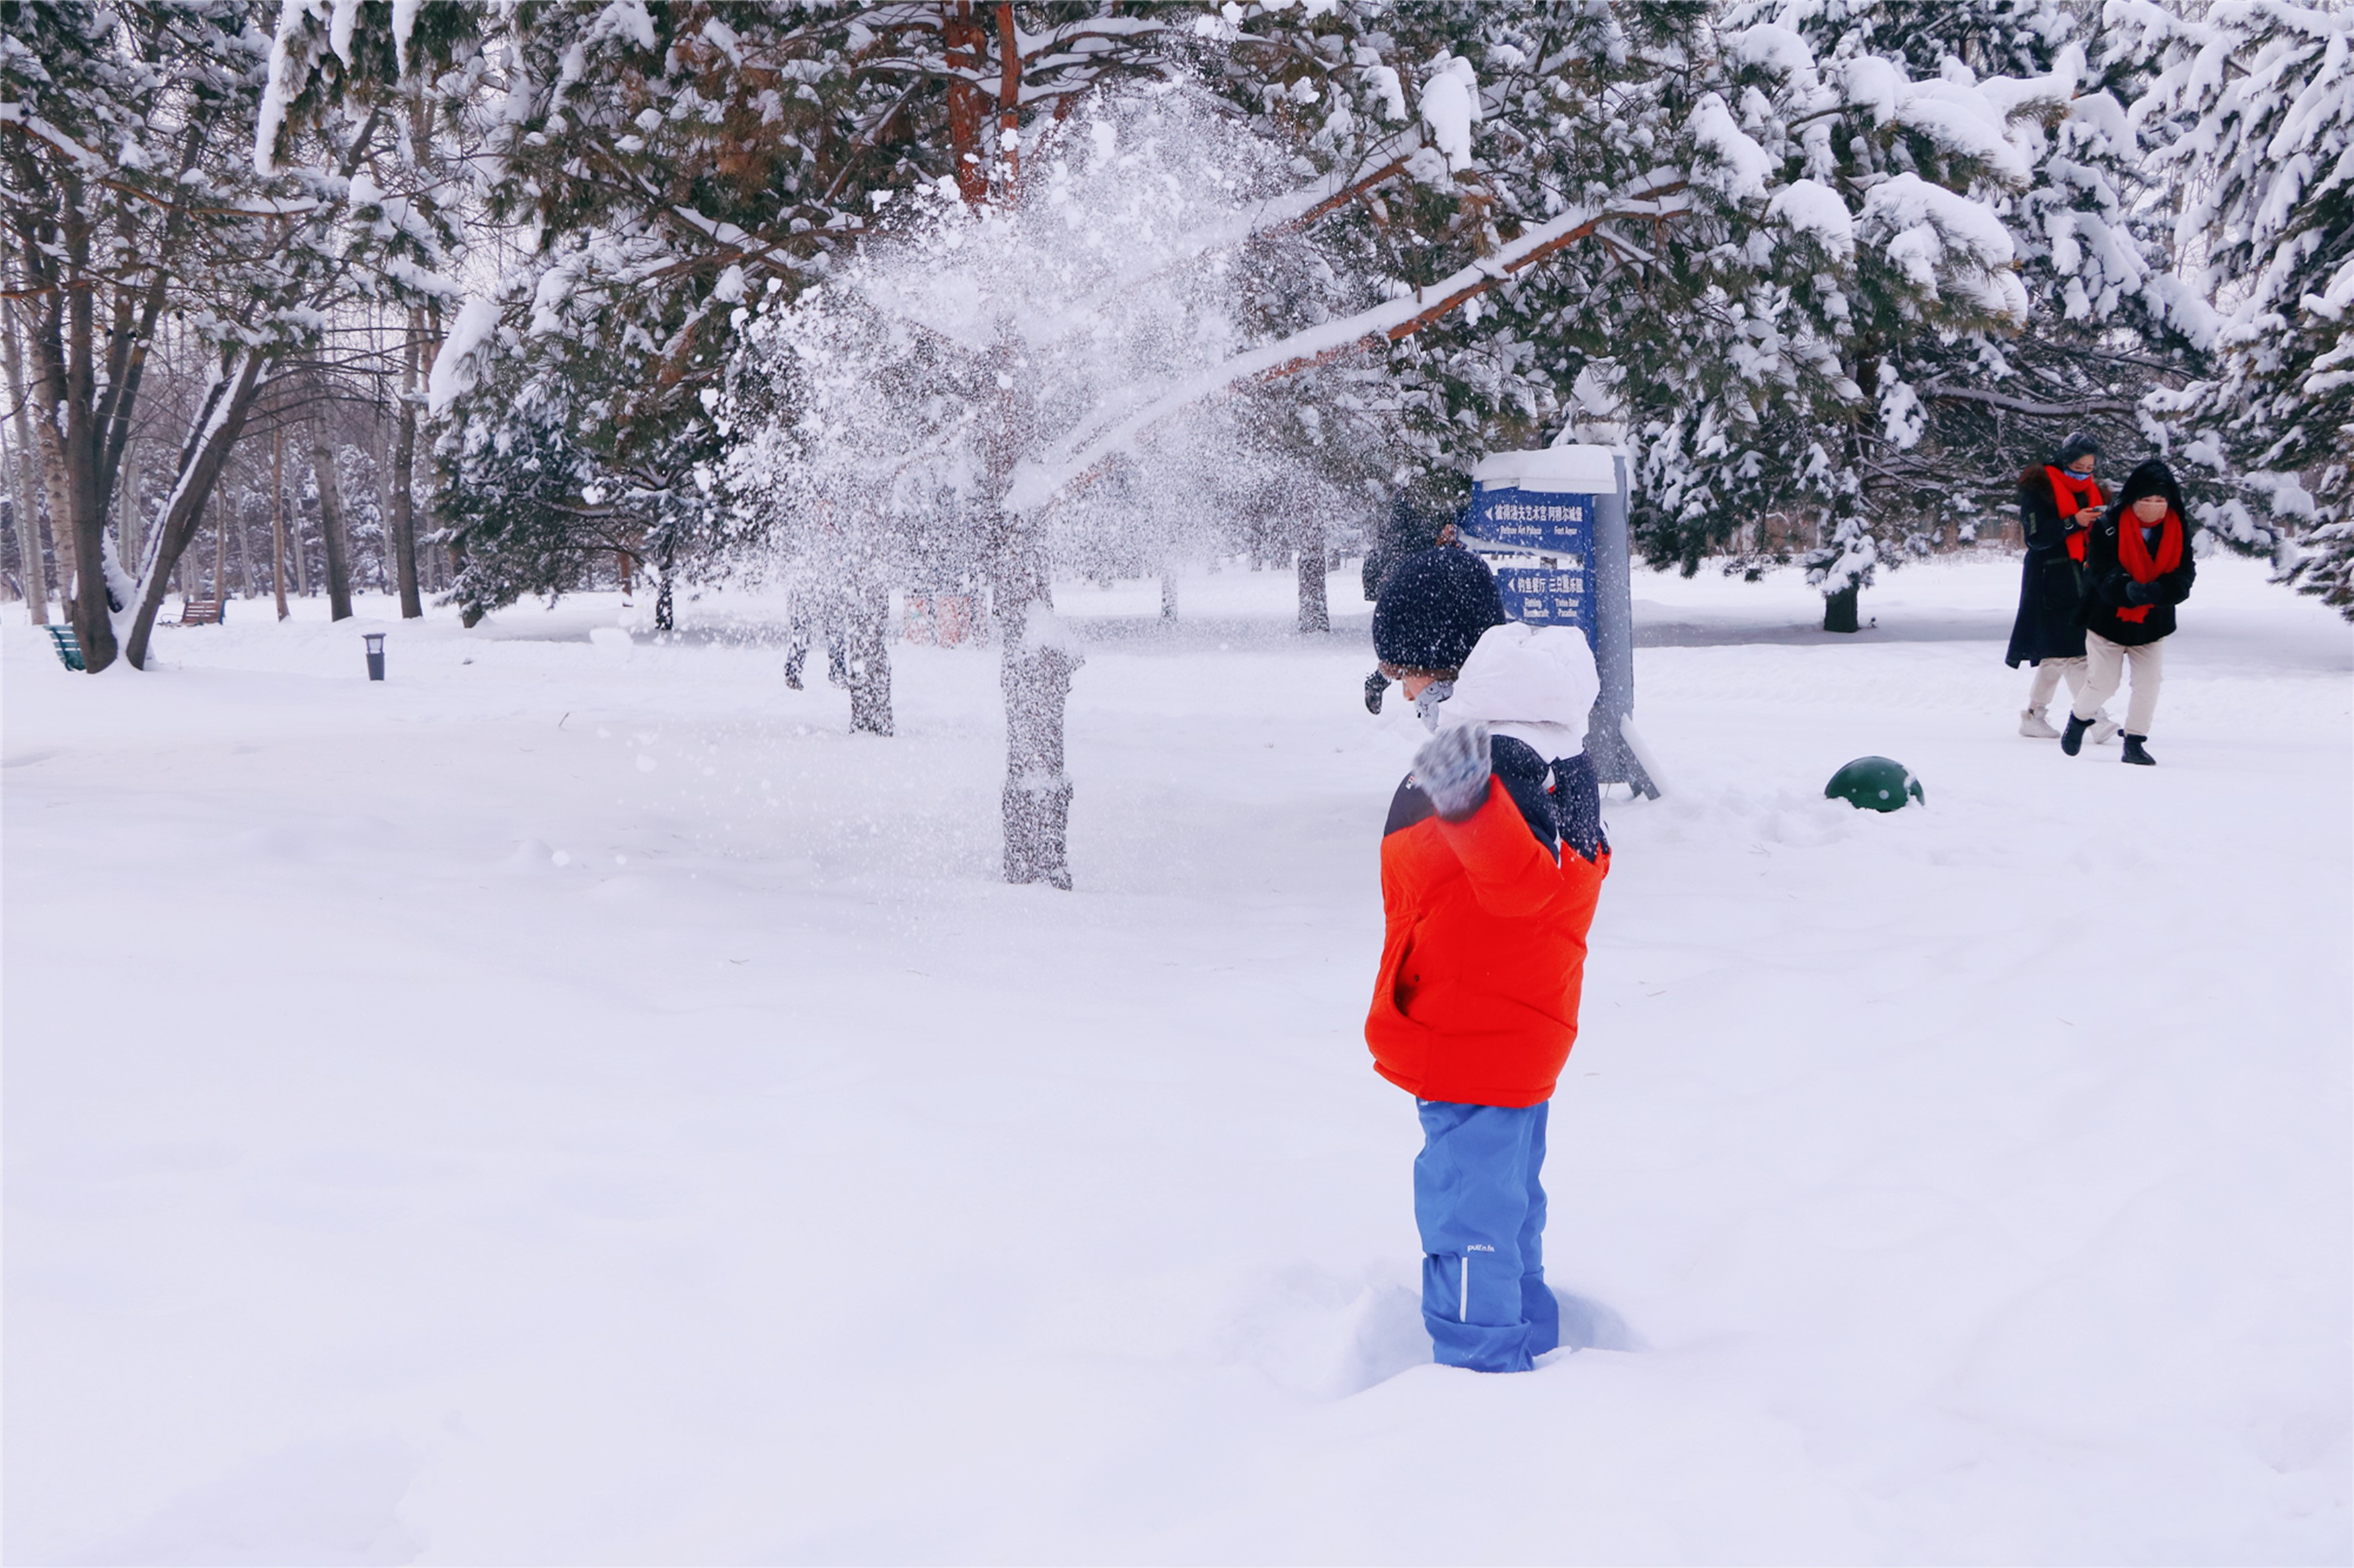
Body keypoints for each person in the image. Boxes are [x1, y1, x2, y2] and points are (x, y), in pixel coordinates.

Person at [1366, 546, 1610, 1373]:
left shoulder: (1492, 756)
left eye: (1405, 672)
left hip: (1473, 1034)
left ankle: (1479, 1384)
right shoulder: (1547, 743)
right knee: (1506, 1212)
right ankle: (1528, 1348)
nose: (1403, 692)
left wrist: (1460, 789)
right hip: (1513, 1025)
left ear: (1439, 661)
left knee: (1467, 1223)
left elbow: (1520, 887)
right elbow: (1573, 874)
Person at [2062, 457, 2194, 766]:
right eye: (2147, 499)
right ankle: (2079, 718)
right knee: (2104, 684)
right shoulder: (2108, 526)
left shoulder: (2178, 527)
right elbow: (2099, 570)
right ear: (2133, 499)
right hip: (2107, 620)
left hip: (2152, 623)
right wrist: (2125, 588)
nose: (2154, 506)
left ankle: (2134, 742)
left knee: (2149, 685)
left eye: (2160, 500)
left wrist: (2163, 591)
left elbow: (2185, 573)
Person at [2006, 431, 2117, 743]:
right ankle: (2094, 718)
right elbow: (2036, 538)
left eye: (2089, 468)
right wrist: (2072, 522)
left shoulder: (2095, 492)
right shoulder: (2040, 489)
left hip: (2084, 578)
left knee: (2055, 656)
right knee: (2073, 653)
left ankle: (2033, 715)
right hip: (2049, 581)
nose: (2083, 473)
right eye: (2078, 467)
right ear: (2065, 461)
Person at [1361, 496, 1460, 713]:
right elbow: (1410, 543)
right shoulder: (1413, 516)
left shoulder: (1421, 512)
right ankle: (1386, 683)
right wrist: (1438, 540)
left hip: (1416, 587)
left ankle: (1416, 694)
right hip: (1408, 589)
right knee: (1408, 648)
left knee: (1415, 648)